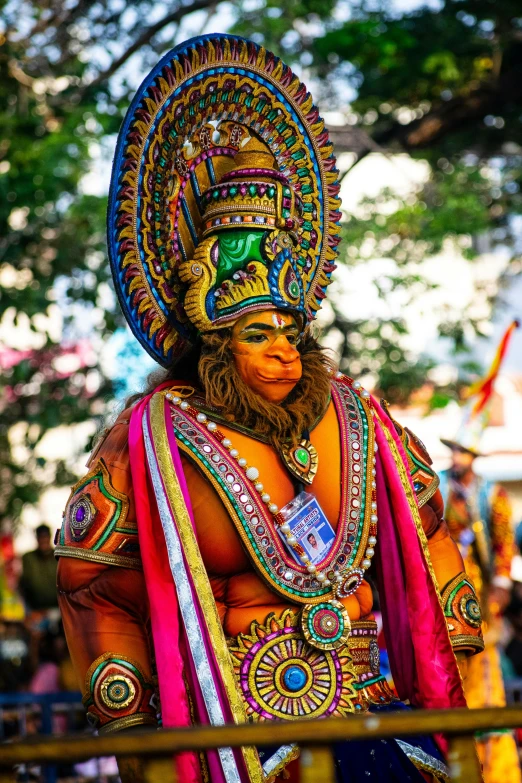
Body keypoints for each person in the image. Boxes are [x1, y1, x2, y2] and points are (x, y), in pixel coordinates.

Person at [56, 34, 484, 783]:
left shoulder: (364, 423)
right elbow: (95, 586)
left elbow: (433, 546)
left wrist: (464, 684)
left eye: (293, 331)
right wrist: (141, 741)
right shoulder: (156, 440)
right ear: (214, 338)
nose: (286, 351)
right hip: (238, 749)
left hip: (379, 725)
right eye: (260, 333)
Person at [440, 320, 521, 783]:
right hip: (449, 586)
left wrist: (501, 588)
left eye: (463, 453)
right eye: (454, 451)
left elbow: (505, 545)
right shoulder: (442, 490)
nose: (457, 459)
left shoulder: (492, 497)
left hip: (481, 593)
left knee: (486, 681)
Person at [20, 524, 58, 613]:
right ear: (37, 539)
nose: (43, 540)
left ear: (50, 537)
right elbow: (24, 584)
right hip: (35, 610)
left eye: (45, 537)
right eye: (40, 537)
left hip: (57, 609)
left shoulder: (59, 557)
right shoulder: (28, 558)